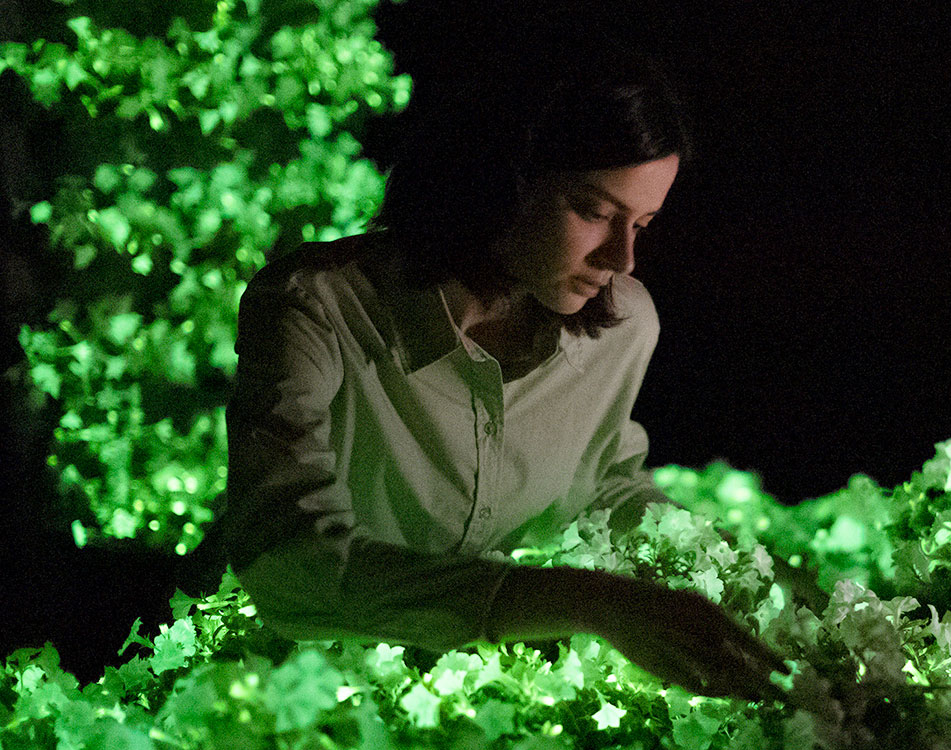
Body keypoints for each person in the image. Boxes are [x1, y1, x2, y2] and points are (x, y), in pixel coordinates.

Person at [217, 20, 785, 702]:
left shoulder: (622, 326)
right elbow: (294, 560)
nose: (621, 259)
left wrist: (761, 581)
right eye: (593, 210)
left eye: (641, 224)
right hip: (308, 697)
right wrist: (588, 602)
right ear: (501, 177)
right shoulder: (321, 307)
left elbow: (604, 485)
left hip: (509, 703)